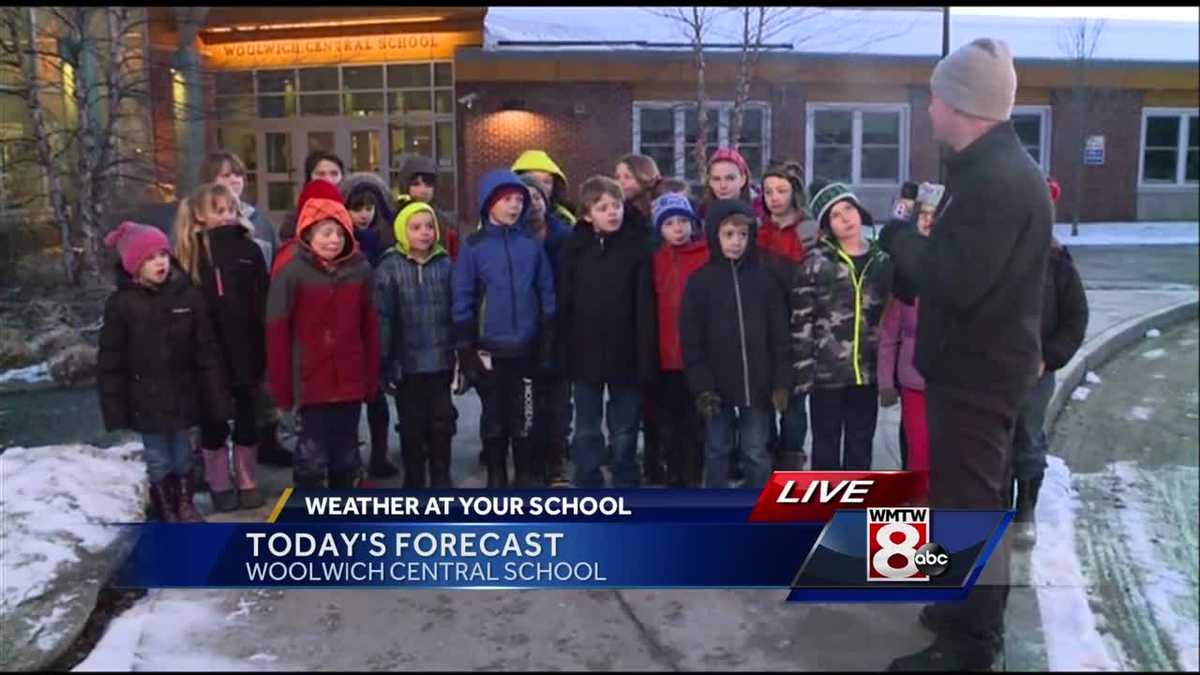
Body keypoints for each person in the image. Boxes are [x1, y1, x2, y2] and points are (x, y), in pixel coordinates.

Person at [878, 38, 1053, 671]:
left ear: (962, 104)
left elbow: (956, 278)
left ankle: (973, 646)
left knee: (974, 505)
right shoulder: (983, 170)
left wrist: (899, 240)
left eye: (935, 96)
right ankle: (960, 608)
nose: (928, 108)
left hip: (980, 373)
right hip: (971, 367)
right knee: (960, 499)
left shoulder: (999, 181)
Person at [98, 221, 232, 522]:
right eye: (150, 257)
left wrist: (216, 396)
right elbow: (110, 360)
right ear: (134, 265)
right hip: (145, 397)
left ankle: (185, 503)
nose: (160, 262)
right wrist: (115, 408)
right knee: (158, 457)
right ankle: (165, 505)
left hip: (183, 393)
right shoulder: (122, 304)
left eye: (163, 255)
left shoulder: (187, 296)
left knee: (183, 454)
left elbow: (206, 349)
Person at [266, 182, 380, 490]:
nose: (333, 240)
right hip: (310, 382)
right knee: (311, 456)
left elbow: (370, 329)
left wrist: (370, 380)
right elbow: (277, 333)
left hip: (349, 381)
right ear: (308, 234)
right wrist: (282, 391)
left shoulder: (360, 271)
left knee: (346, 454)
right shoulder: (291, 273)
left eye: (340, 233)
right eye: (326, 233)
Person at [453, 169, 556, 488]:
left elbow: (545, 290)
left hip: (526, 347)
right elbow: (463, 294)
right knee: (494, 416)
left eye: (518, 200)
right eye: (506, 200)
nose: (514, 206)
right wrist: (465, 346)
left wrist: (547, 337)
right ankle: (496, 471)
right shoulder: (474, 246)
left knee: (524, 415)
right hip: (489, 349)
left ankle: (523, 470)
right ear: (489, 203)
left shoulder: (531, 244)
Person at [174, 182, 270, 511]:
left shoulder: (249, 250)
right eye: (219, 210)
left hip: (246, 348)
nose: (228, 216)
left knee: (247, 417)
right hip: (206, 355)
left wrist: (264, 345)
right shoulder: (191, 254)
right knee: (212, 421)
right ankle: (219, 482)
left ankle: (247, 480)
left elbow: (263, 299)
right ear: (199, 216)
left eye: (232, 209)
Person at [681, 199, 790, 489]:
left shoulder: (765, 279)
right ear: (715, 235)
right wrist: (702, 386)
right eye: (728, 234)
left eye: (743, 235)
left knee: (756, 450)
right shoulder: (700, 283)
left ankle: (758, 507)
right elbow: (691, 340)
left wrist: (780, 380)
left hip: (758, 384)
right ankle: (715, 508)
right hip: (716, 386)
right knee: (718, 448)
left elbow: (780, 333)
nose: (736, 242)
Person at [557, 176, 658, 489]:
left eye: (617, 206)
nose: (613, 213)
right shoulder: (574, 248)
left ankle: (625, 471)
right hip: (585, 352)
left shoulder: (636, 247)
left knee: (625, 424)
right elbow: (565, 302)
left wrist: (644, 354)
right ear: (587, 215)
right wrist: (564, 350)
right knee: (586, 424)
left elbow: (644, 305)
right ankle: (588, 475)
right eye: (603, 208)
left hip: (625, 352)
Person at [792, 180, 893, 472]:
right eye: (835, 215)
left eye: (848, 209)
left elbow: (889, 319)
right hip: (827, 374)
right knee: (825, 444)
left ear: (860, 212)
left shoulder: (882, 261)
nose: (845, 218)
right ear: (827, 226)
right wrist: (802, 373)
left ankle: (854, 507)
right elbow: (801, 320)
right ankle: (825, 509)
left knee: (860, 443)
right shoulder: (816, 262)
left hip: (867, 373)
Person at [201, 151, 293, 470]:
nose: (233, 180)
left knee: (257, 390)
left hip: (254, 316)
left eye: (238, 174)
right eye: (225, 175)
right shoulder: (197, 223)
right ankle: (211, 465)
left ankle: (266, 443)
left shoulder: (259, 221)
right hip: (216, 326)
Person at [1011, 176, 1088, 548]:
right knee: (992, 443)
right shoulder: (993, 255)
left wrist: (1049, 358)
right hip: (993, 367)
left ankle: (1025, 508)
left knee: (1027, 437)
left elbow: (1075, 318)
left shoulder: (1057, 260)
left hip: (1036, 371)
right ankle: (992, 511)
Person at [374, 201, 457, 488]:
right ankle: (414, 479)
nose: (424, 233)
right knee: (412, 426)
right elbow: (382, 317)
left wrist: (458, 353)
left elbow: (456, 311)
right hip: (406, 365)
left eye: (429, 226)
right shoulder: (389, 267)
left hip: (440, 361)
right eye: (416, 227)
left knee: (442, 423)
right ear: (402, 231)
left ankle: (441, 477)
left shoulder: (446, 264)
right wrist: (383, 361)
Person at [756, 160, 818, 470]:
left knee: (793, 403)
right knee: (765, 397)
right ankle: (765, 457)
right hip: (764, 328)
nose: (774, 197)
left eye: (781, 190)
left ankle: (790, 460)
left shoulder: (808, 229)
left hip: (798, 329)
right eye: (768, 191)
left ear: (795, 192)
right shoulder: (759, 229)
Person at [341, 172, 401, 479]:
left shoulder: (386, 241)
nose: (364, 214)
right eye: (357, 208)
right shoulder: (339, 242)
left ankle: (380, 453)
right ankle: (350, 460)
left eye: (369, 207)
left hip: (379, 329)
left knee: (377, 397)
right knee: (350, 403)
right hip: (349, 331)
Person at [876, 199, 936, 500]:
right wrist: (886, 383)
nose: (928, 221)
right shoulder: (905, 276)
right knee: (918, 449)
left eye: (934, 215)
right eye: (923, 214)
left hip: (950, 382)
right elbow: (889, 335)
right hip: (913, 380)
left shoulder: (958, 266)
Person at [651, 193, 709, 487]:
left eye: (683, 221)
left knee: (696, 424)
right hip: (664, 358)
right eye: (670, 223)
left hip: (697, 359)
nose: (678, 228)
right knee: (669, 425)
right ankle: (673, 477)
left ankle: (693, 477)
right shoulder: (655, 261)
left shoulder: (705, 256)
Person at [615, 154, 667, 483]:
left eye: (626, 177)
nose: (620, 183)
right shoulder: (620, 218)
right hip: (632, 317)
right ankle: (632, 461)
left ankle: (656, 459)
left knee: (658, 401)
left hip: (662, 315)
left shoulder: (659, 215)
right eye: (617, 176)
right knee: (634, 400)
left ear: (644, 178)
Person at [520, 174, 574, 486]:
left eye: (538, 197)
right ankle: (530, 460)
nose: (533, 204)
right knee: (527, 402)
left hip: (559, 328)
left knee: (558, 402)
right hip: (523, 330)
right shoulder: (510, 239)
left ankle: (556, 461)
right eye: (526, 198)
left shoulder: (563, 237)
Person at [394, 155, 460, 261]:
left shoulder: (447, 224)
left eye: (428, 185)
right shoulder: (392, 221)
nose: (423, 190)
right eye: (416, 184)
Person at [278, 150, 345, 242]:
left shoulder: (352, 206)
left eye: (334, 174)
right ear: (309, 178)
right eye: (321, 174)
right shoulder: (297, 214)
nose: (329, 180)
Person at [512, 149, 578, 227]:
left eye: (546, 182)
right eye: (533, 181)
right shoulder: (503, 216)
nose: (540, 187)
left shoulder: (565, 219)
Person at [701, 148, 754, 217]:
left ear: (742, 180)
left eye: (730, 178)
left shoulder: (758, 214)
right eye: (716, 179)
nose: (723, 185)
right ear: (709, 181)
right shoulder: (699, 216)